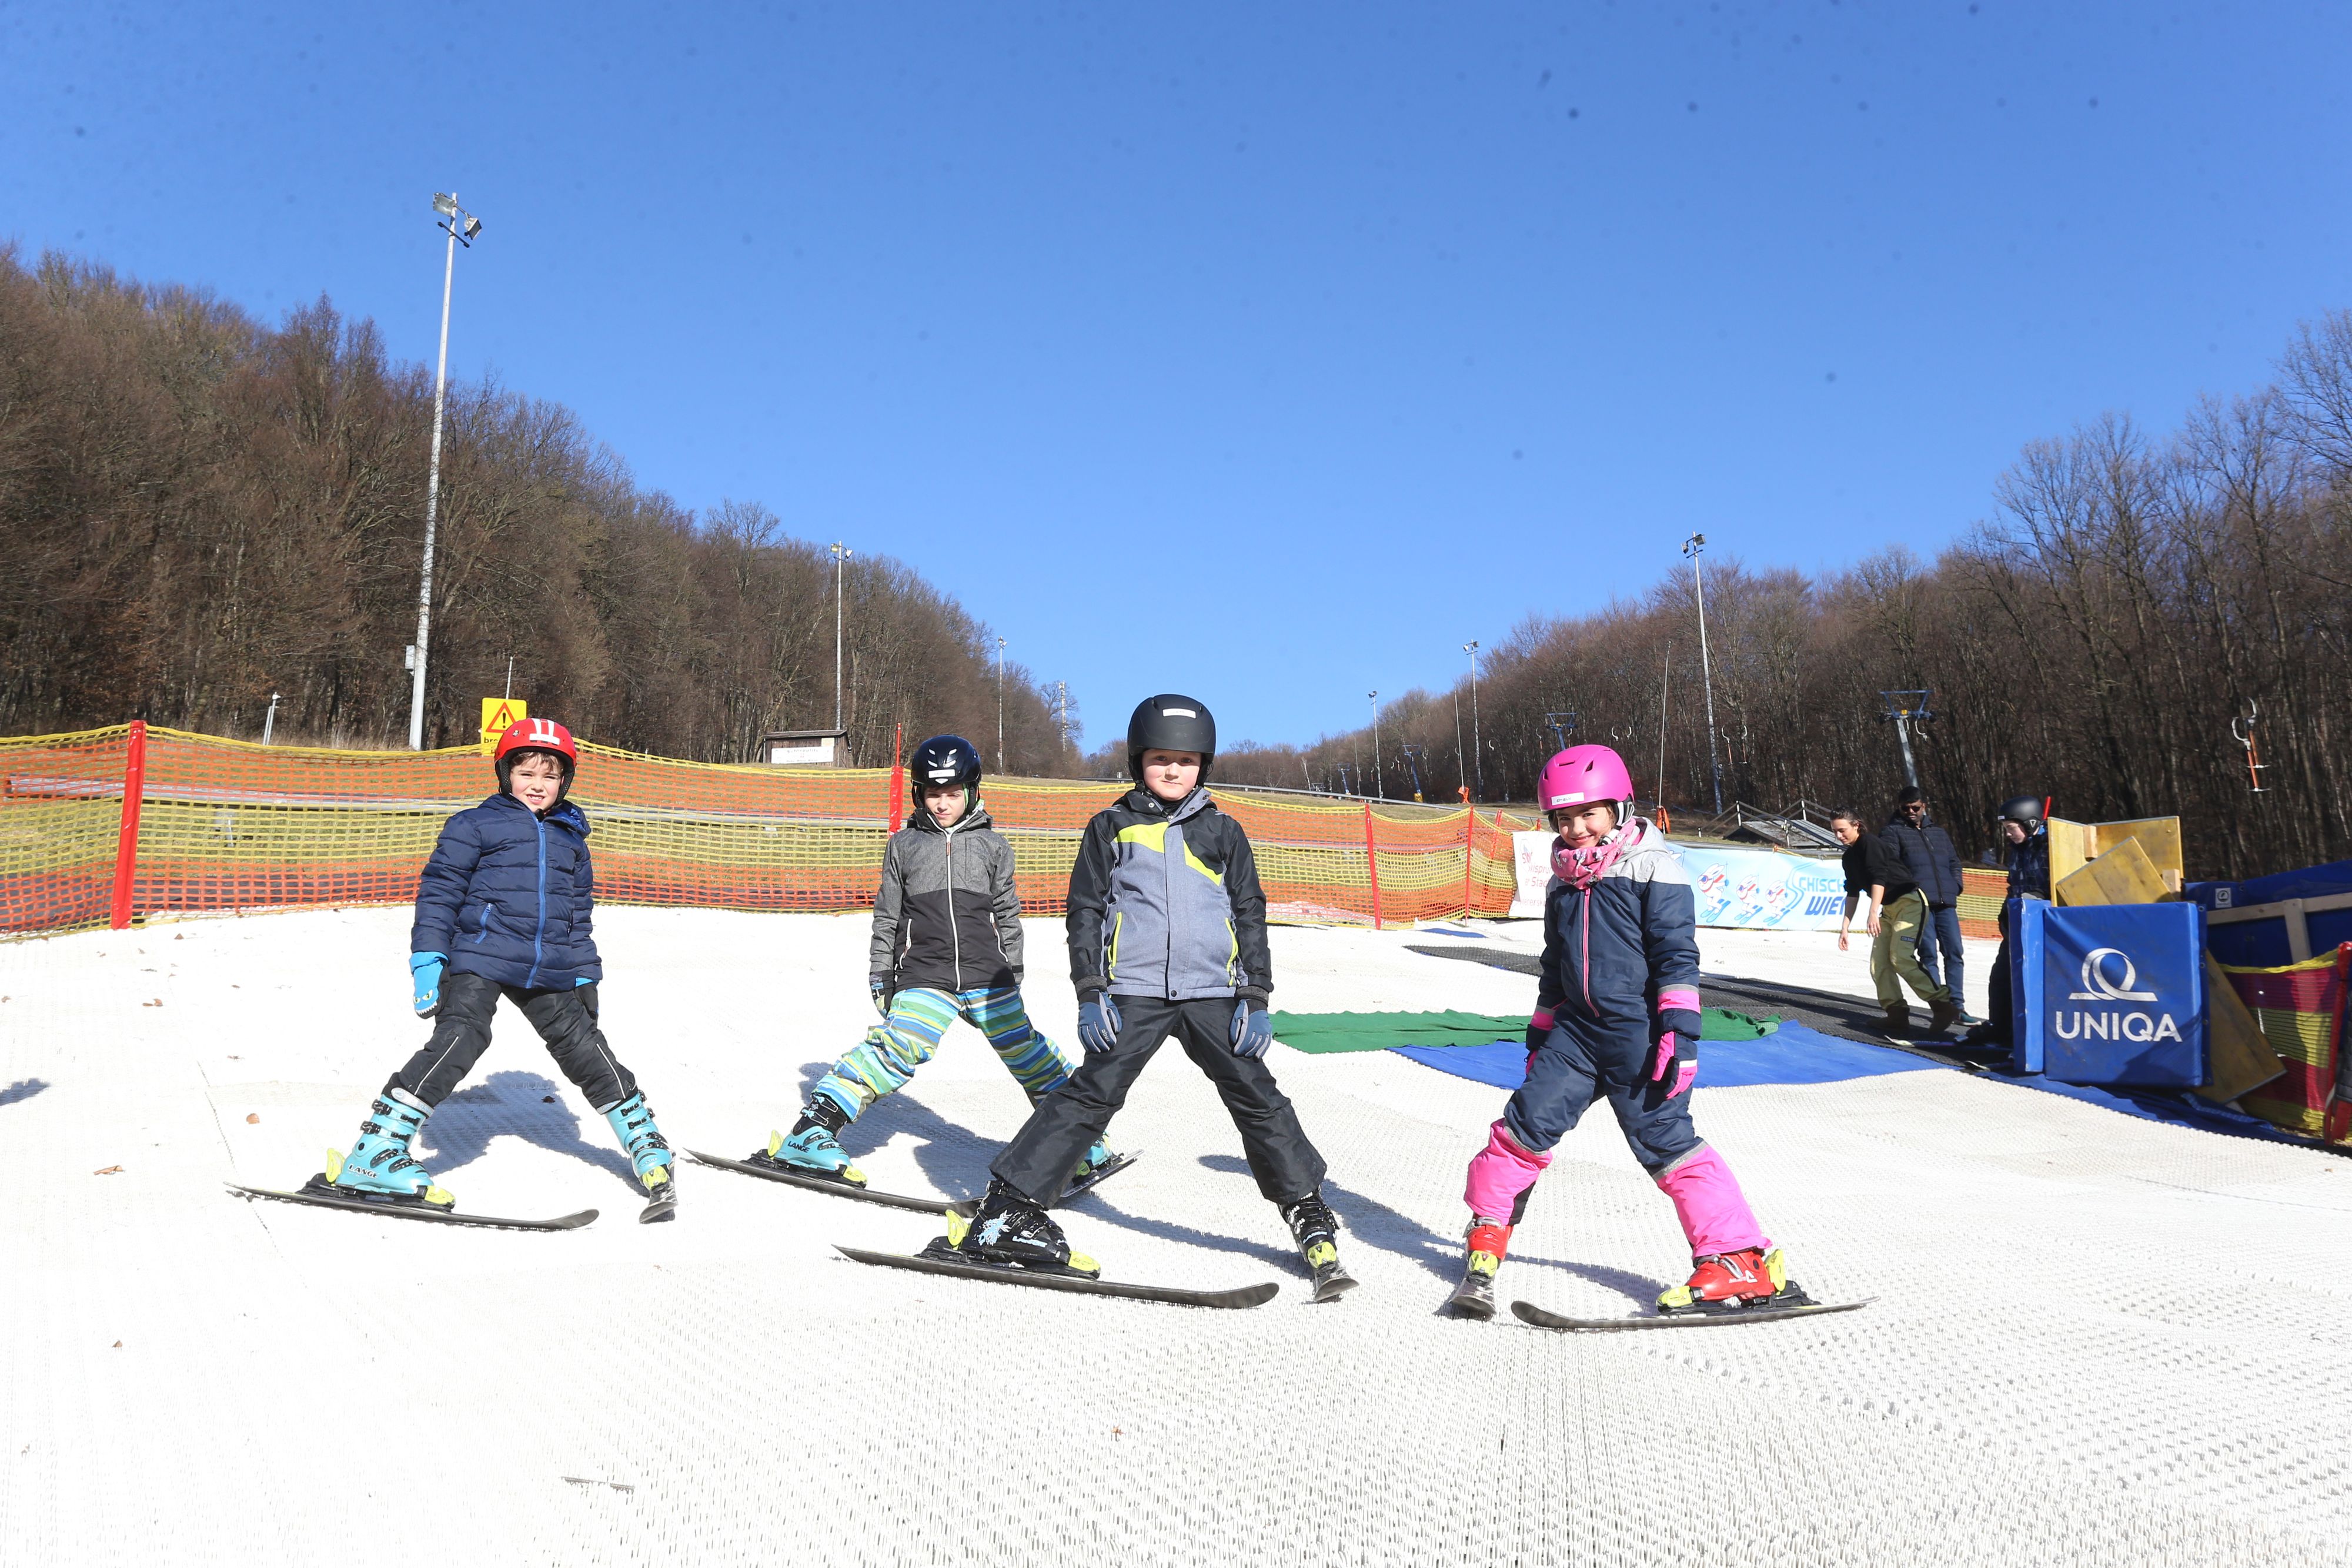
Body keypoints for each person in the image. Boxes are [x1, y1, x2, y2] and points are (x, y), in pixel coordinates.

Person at [948, 694, 1356, 1300]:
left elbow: (1250, 913)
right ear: (1139, 759)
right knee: (1092, 1093)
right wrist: (1091, 992)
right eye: (1161, 758)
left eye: (1186, 761)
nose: (1172, 770)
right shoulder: (1110, 827)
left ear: (1204, 765)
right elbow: (1084, 911)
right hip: (1133, 992)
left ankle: (1307, 1211)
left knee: (1256, 1096)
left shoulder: (1222, 831)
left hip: (1212, 993)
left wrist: (1256, 994)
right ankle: (1008, 1210)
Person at [1445, 744, 1798, 1320]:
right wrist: (1540, 1036)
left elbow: (1676, 954)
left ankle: (1741, 1260)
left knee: (1666, 1143)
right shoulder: (1563, 879)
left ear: (1618, 807)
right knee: (1520, 1129)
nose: (1576, 829)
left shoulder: (1652, 866)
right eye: (1563, 819)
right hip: (1577, 1034)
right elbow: (1555, 965)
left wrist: (1680, 1033)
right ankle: (1486, 1234)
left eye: (1588, 814)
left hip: (1639, 1033)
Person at [322, 717, 676, 1218]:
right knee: (463, 1036)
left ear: (565, 781)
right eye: (526, 771)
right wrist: (428, 957)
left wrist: (584, 972)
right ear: (505, 773)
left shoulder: (572, 838)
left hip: (547, 962)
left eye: (550, 776)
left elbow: (577, 916)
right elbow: (440, 893)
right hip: (480, 953)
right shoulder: (474, 824)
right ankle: (374, 1152)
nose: (537, 784)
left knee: (586, 1049)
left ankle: (646, 1145)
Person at [746, 734, 1121, 1194]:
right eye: (932, 793)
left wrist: (1014, 971)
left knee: (1029, 1054)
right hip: (927, 973)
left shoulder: (994, 846)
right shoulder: (904, 846)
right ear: (919, 794)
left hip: (990, 974)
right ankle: (810, 1132)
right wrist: (882, 974)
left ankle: (1077, 1143)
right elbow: (888, 916)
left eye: (951, 793)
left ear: (972, 791)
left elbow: (1008, 914)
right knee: (896, 1048)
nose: (942, 804)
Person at [1831, 808, 1959, 1038]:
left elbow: (1879, 877)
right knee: (1878, 963)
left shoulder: (1870, 843)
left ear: (1856, 825)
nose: (1839, 836)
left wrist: (1872, 913)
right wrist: (1845, 928)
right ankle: (1896, 1015)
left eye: (1842, 830)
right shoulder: (1848, 858)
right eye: (1835, 832)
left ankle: (1943, 1006)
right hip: (1888, 909)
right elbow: (1852, 893)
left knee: (1900, 957)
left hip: (1909, 902)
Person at [1960, 795, 2052, 1051]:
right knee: (2000, 978)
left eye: (2011, 829)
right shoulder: (2017, 850)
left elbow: (2060, 884)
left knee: (2035, 983)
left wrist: (2039, 898)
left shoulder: (2051, 846)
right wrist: (2005, 913)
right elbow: (2014, 885)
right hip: (2018, 926)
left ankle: (2035, 1035)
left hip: (2044, 928)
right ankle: (2000, 1028)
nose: (2008, 835)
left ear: (2031, 823)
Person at [1882, 786, 1975, 1025]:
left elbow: (1954, 861)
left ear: (1924, 806)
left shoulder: (1939, 833)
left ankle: (1957, 1005)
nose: (1911, 812)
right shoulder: (1892, 832)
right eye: (1906, 808)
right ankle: (1941, 1007)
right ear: (1899, 808)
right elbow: (1890, 865)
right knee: (1928, 955)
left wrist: (1956, 885)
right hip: (1918, 904)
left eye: (1916, 807)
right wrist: (1911, 890)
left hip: (1946, 902)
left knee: (1955, 953)